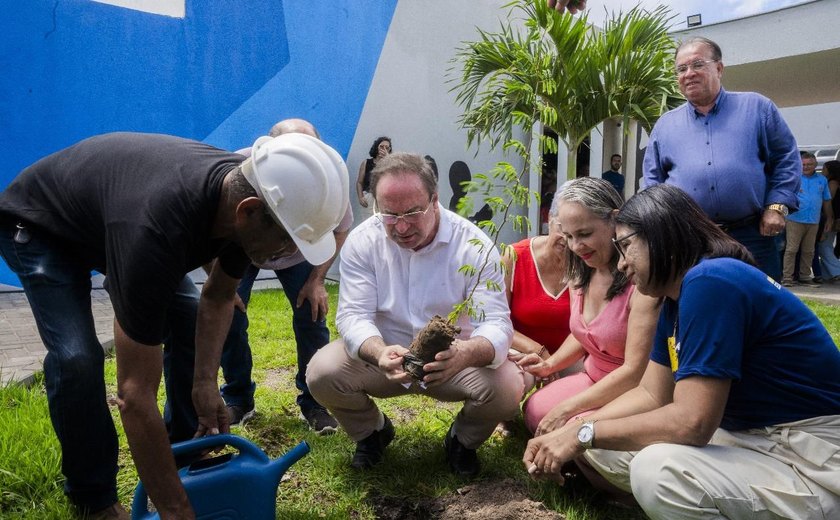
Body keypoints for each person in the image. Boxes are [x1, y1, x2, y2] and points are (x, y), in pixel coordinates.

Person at [0, 132, 349, 519]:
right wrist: (177, 510)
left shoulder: (247, 199)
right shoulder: (158, 230)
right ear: (247, 212)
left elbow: (217, 297)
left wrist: (204, 384)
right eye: (288, 241)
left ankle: (185, 447)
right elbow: (134, 395)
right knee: (78, 357)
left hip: (113, 217)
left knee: (186, 315)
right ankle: (92, 496)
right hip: (40, 226)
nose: (290, 254)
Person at [523, 183, 840, 520]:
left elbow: (693, 422)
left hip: (810, 454)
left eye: (627, 246)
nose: (621, 265)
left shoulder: (712, 281)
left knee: (656, 472)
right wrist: (577, 427)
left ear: (662, 237)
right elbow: (651, 393)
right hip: (750, 435)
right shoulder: (675, 296)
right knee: (603, 447)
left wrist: (582, 433)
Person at [307, 152, 530, 478]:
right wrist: (380, 352)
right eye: (389, 214)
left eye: (412, 212)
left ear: (435, 199)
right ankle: (372, 433)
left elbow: (496, 323)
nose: (400, 226)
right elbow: (353, 315)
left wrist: (465, 354)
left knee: (509, 385)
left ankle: (462, 440)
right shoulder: (362, 241)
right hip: (383, 359)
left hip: (452, 363)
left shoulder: (474, 246)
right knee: (321, 373)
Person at [217, 119, 352, 433]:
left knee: (312, 314)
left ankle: (314, 402)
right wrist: (220, 285)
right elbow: (215, 224)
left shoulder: (328, 178)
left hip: (299, 252)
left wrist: (316, 280)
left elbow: (341, 229)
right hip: (245, 248)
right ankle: (237, 397)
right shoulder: (241, 170)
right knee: (228, 314)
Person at [643, 37, 801, 281]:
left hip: (752, 234)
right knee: (698, 306)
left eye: (697, 65)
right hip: (691, 240)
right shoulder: (665, 125)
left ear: (719, 68)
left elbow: (786, 159)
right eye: (681, 69)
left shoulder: (757, 108)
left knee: (760, 308)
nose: (689, 74)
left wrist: (776, 206)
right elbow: (653, 181)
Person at [517, 178, 660, 435]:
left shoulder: (640, 282)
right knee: (537, 409)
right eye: (569, 236)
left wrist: (568, 408)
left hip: (633, 390)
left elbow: (634, 372)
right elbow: (584, 333)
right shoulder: (581, 271)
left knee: (573, 427)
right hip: (592, 378)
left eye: (584, 234)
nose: (575, 246)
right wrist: (549, 366)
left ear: (614, 220)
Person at [782, 151, 833, 287]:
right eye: (803, 164)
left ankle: (805, 277)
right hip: (794, 219)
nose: (806, 167)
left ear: (816, 164)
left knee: (809, 251)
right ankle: (787, 278)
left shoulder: (822, 180)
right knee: (791, 249)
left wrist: (829, 219)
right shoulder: (793, 178)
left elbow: (827, 200)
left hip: (813, 221)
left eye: (809, 164)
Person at [816, 160, 840, 281]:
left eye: (824, 169)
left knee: (824, 245)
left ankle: (836, 270)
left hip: (830, 219)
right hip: (834, 218)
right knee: (827, 244)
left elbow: (827, 200)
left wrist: (828, 218)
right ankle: (827, 274)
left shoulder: (832, 183)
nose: (822, 171)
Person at [356, 136, 391, 215]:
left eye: (387, 147)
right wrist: (361, 197)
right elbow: (359, 182)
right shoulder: (366, 163)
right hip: (369, 198)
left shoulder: (390, 165)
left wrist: (388, 159)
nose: (384, 149)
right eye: (381, 146)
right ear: (376, 147)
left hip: (383, 200)